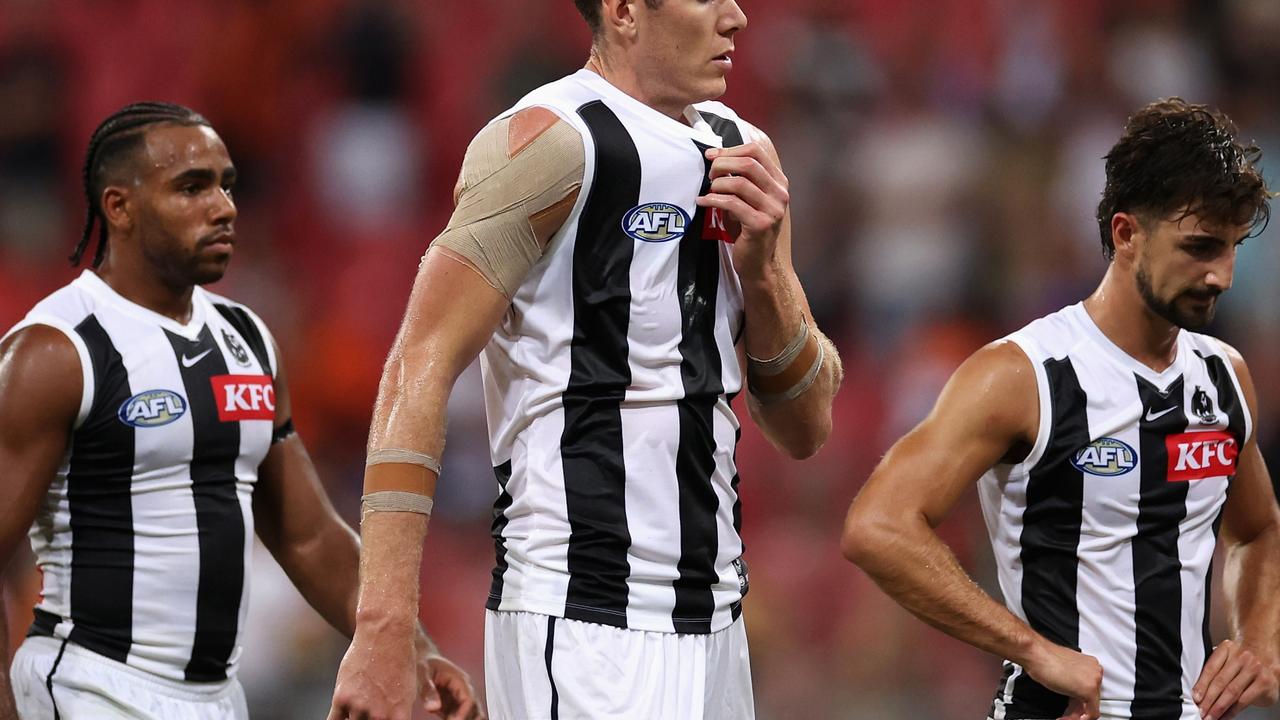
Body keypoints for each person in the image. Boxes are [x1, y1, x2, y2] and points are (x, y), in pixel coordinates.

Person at [327, 1, 844, 718]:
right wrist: (383, 625)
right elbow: (420, 363)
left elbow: (805, 427)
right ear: (626, 10)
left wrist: (767, 275)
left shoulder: (742, 150)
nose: (737, 17)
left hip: (721, 624)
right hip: (581, 617)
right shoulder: (548, 140)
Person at [0, 102, 481, 720]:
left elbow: (306, 534)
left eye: (226, 185)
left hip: (218, 700)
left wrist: (410, 647)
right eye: (191, 188)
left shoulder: (247, 339)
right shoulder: (53, 352)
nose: (223, 207)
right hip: (88, 689)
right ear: (118, 207)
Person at [841, 98, 1280, 720]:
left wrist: (1260, 642)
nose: (1222, 276)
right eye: (1201, 247)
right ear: (1126, 234)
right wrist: (1032, 649)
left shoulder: (1224, 376)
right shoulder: (1022, 375)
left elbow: (1259, 528)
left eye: (1232, 247)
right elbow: (877, 527)